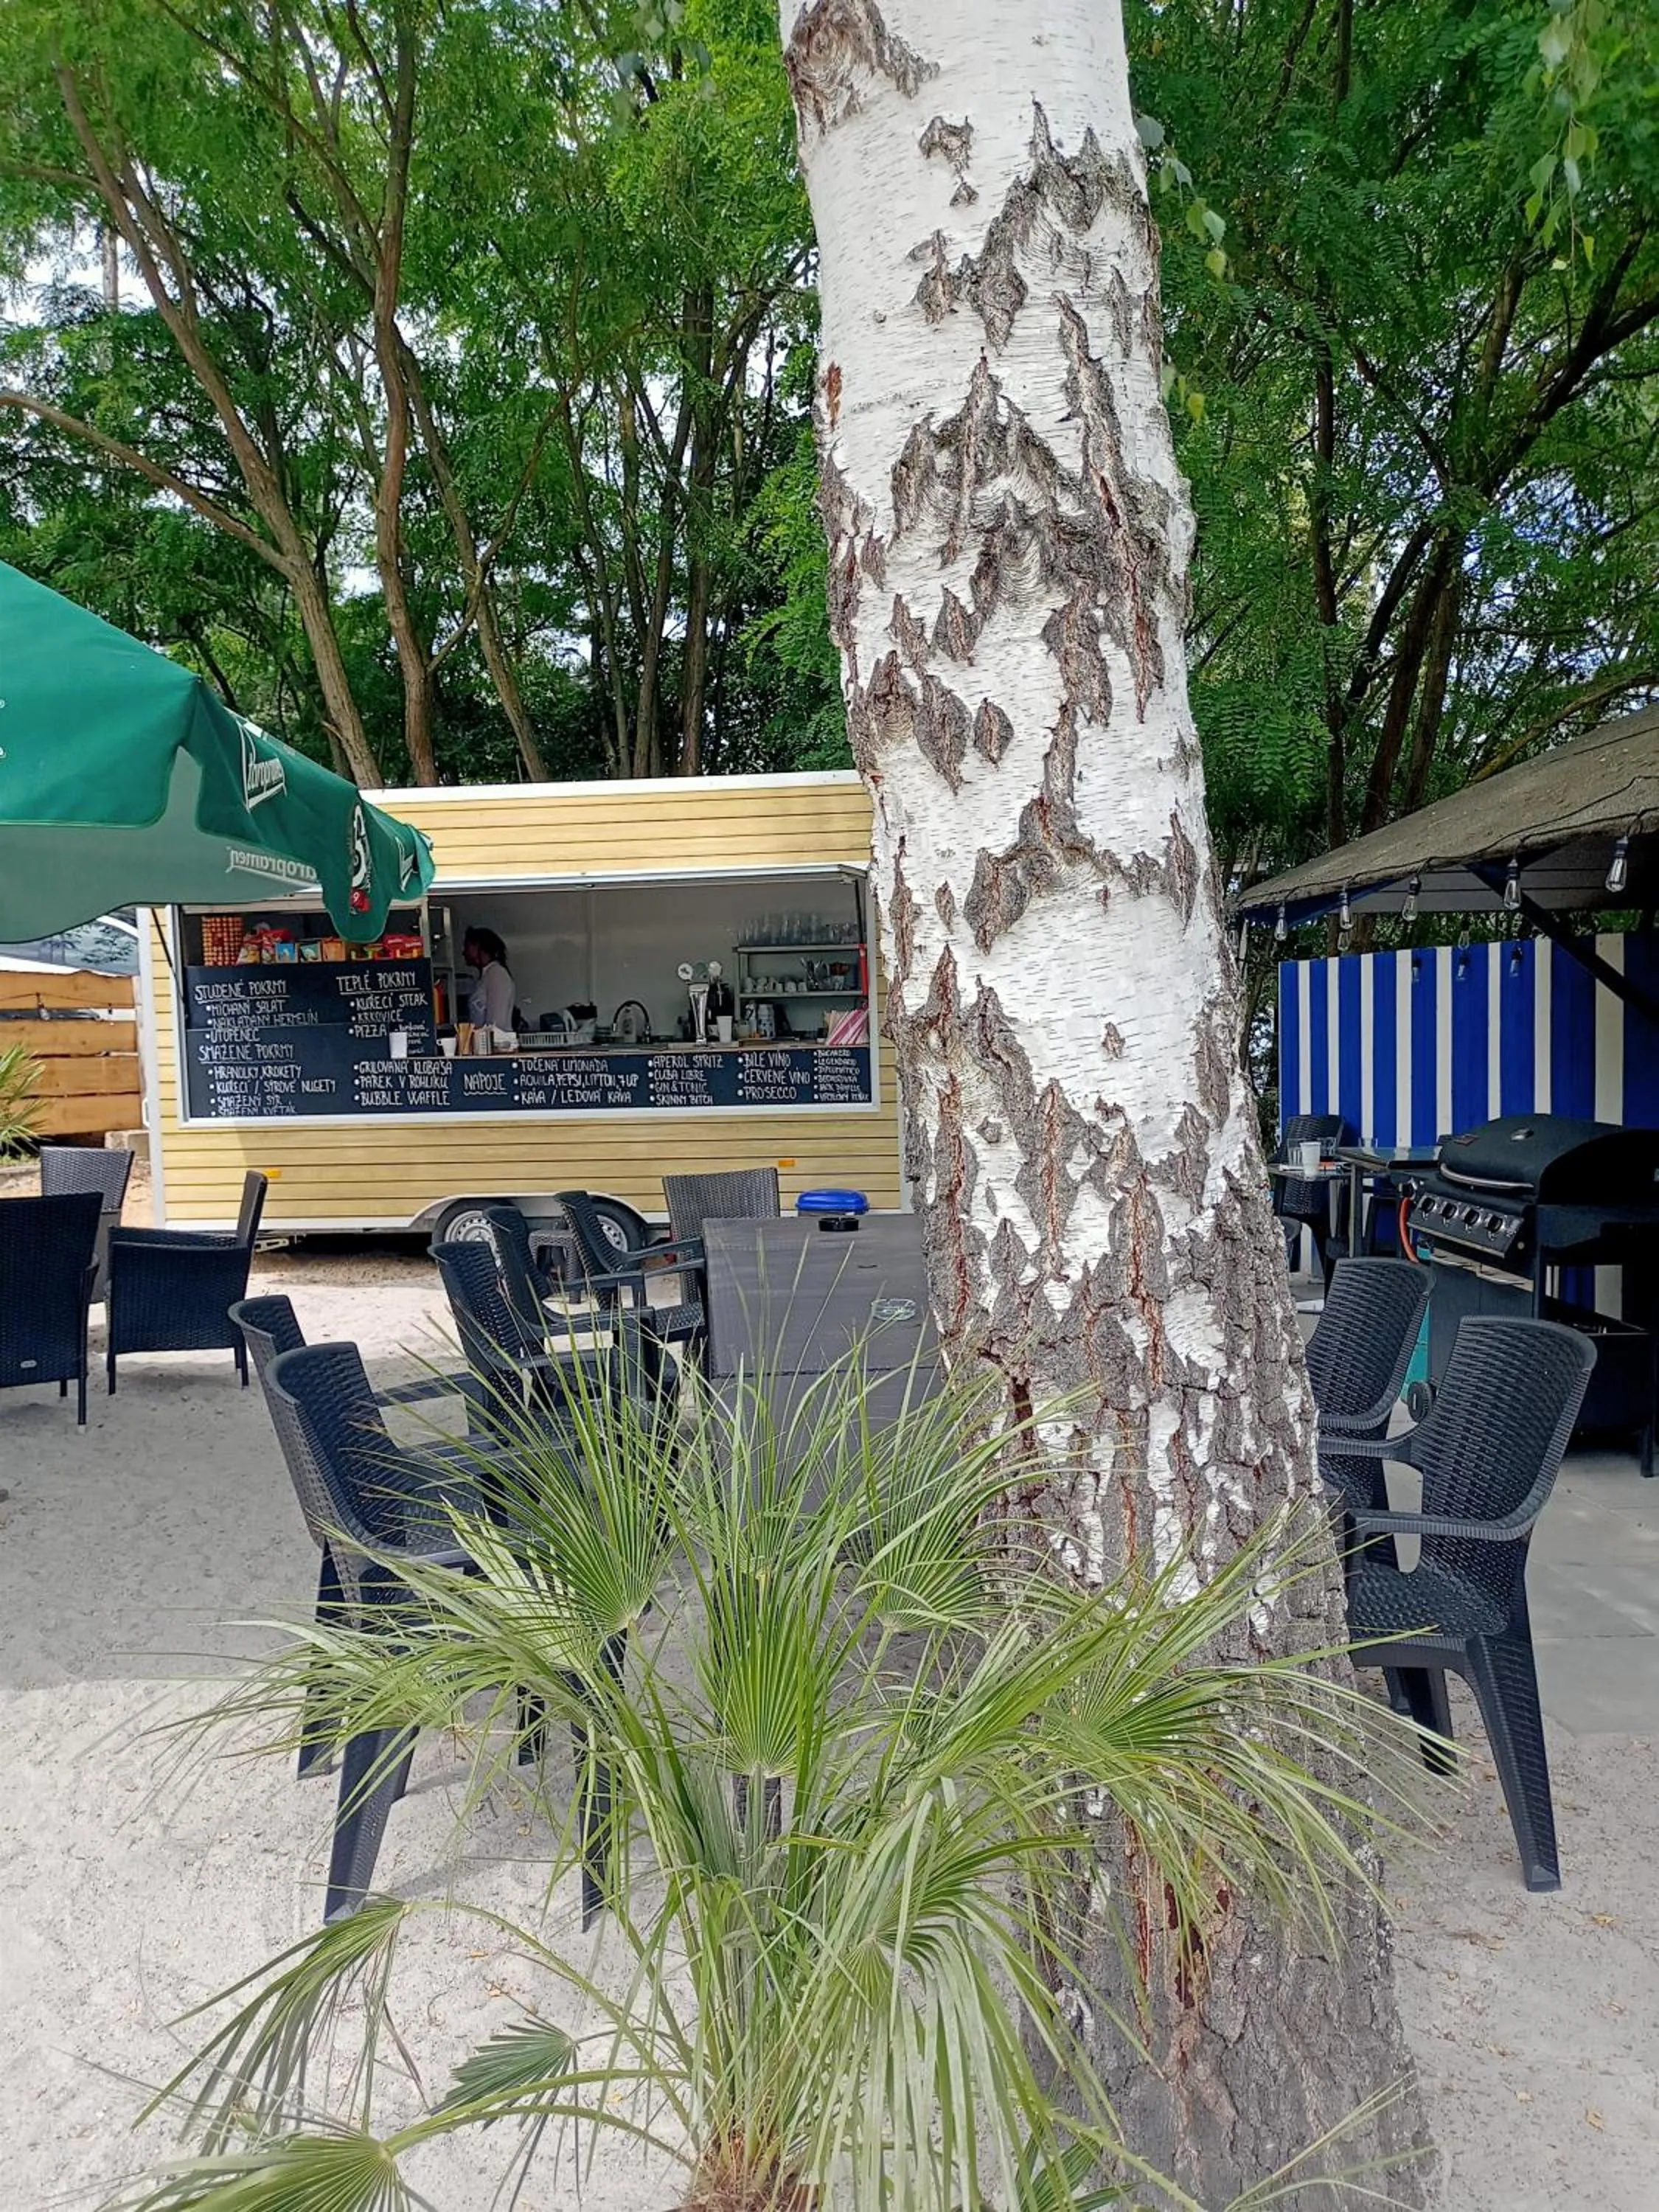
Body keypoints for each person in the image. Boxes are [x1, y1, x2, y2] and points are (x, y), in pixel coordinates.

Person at [462, 926, 516, 1034]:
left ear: (477, 946)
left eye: (467, 946)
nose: (464, 952)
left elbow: (496, 1024)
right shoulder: (487, 975)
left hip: (495, 1046)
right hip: (485, 1045)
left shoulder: (496, 974)